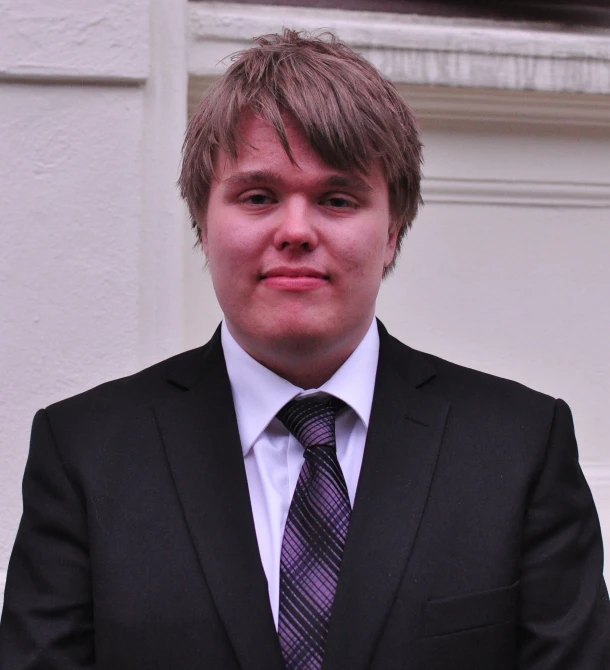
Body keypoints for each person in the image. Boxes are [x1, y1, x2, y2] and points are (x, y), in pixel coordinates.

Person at [0, 29, 608, 670]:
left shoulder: (518, 447)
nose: (295, 231)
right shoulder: (86, 453)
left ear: (393, 233)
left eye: (336, 199)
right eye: (258, 197)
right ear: (203, 226)